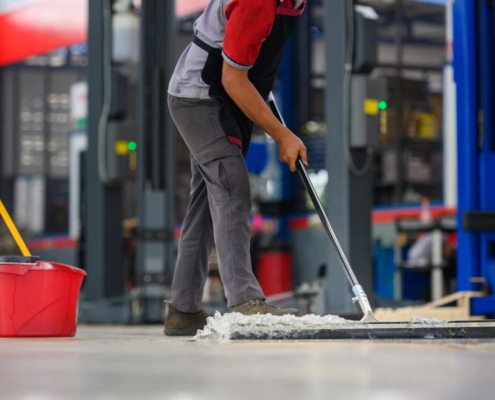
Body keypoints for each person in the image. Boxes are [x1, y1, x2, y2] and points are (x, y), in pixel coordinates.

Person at [165, 0, 308, 336]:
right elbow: (232, 77)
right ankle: (245, 303)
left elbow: (256, 54)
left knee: (204, 204)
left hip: (227, 95)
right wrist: (281, 134)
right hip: (200, 95)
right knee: (230, 183)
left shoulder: (294, 3)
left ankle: (183, 312)